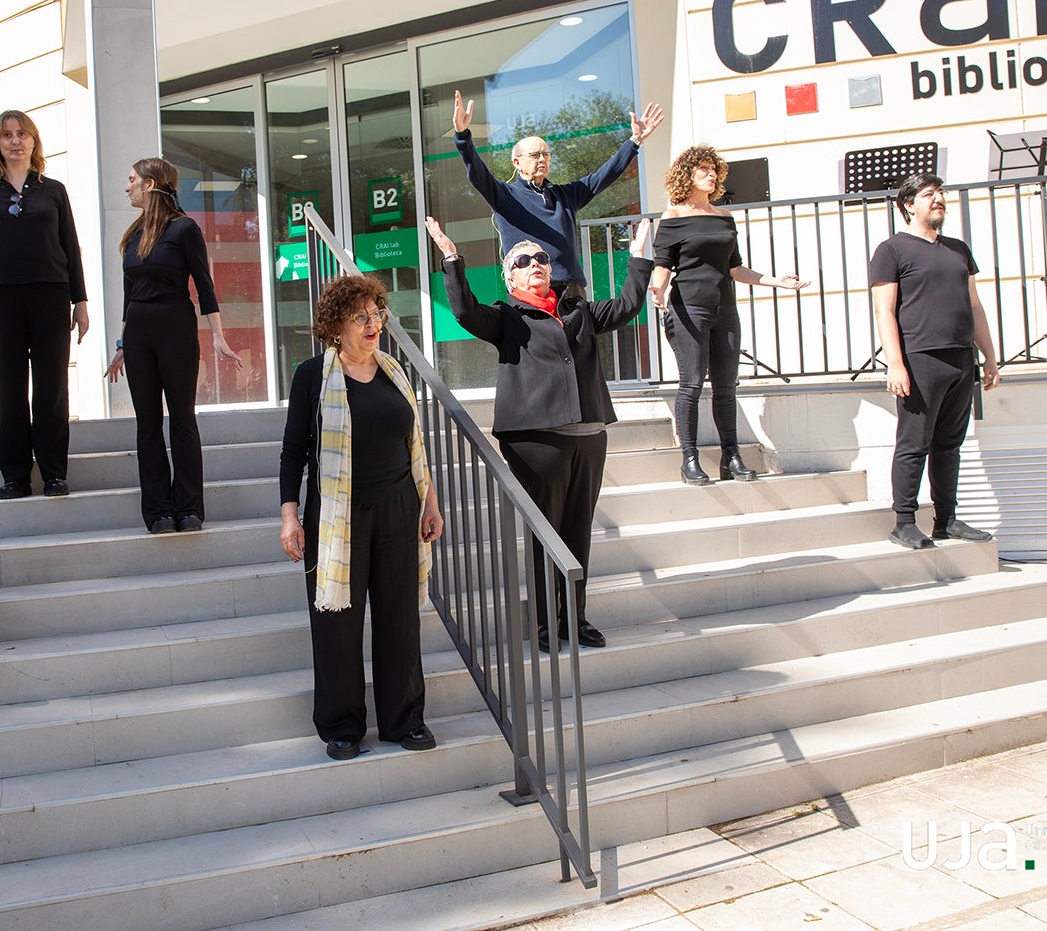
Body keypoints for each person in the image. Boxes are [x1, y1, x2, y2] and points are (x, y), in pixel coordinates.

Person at [427, 214, 651, 653]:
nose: (536, 264)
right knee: (546, 532)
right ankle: (546, 621)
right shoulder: (506, 316)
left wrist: (640, 256)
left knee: (578, 531)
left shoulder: (578, 310)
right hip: (536, 439)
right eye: (524, 260)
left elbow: (627, 306)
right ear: (510, 277)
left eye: (542, 259)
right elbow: (465, 311)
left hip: (589, 434)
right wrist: (452, 258)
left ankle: (576, 619)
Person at [279, 274, 444, 760]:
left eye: (378, 314)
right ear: (336, 325)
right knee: (337, 624)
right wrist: (290, 516)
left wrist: (430, 503)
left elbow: (413, 445)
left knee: (400, 619)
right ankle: (342, 726)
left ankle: (404, 719)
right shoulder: (312, 376)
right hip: (337, 515)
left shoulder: (394, 372)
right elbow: (293, 451)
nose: (374, 324)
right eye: (361, 317)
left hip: (399, 508)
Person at [650, 145, 811, 485]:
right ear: (687, 175)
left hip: (725, 310)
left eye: (714, 169)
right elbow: (663, 266)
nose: (712, 174)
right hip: (688, 309)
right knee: (692, 383)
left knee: (726, 387)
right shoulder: (673, 217)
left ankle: (731, 457)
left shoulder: (724, 218)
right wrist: (658, 291)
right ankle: (690, 460)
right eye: (704, 169)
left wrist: (776, 281)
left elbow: (735, 269)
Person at [0, 110, 89, 500]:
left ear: (33, 141)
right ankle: (14, 474)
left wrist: (80, 300)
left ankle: (53, 472)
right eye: (7, 135)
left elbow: (70, 246)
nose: (15, 141)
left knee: (51, 386)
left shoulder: (53, 190)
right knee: (9, 387)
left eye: (22, 134)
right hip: (0, 297)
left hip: (50, 295)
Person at [105, 157, 241, 534]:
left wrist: (218, 336)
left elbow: (204, 286)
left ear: (150, 184)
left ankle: (188, 507)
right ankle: (158, 511)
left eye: (131, 180)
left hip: (176, 330)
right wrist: (121, 345)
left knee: (182, 418)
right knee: (147, 423)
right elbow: (129, 296)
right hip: (138, 336)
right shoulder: (132, 235)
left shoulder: (184, 228)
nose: (127, 187)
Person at [870, 172, 1000, 550]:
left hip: (961, 358)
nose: (939, 199)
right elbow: (884, 310)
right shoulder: (892, 250)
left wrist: (990, 356)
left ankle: (946, 520)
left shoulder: (958, 249)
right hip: (920, 359)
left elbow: (974, 305)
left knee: (949, 445)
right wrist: (895, 363)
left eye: (940, 193)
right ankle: (904, 522)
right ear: (909, 205)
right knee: (914, 443)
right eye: (929, 194)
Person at [451, 89, 664, 290]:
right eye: (534, 155)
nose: (542, 159)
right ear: (517, 162)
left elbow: (604, 176)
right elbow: (477, 173)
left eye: (546, 154)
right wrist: (462, 135)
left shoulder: (565, 196)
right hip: (531, 291)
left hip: (571, 289)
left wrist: (634, 141)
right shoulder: (506, 196)